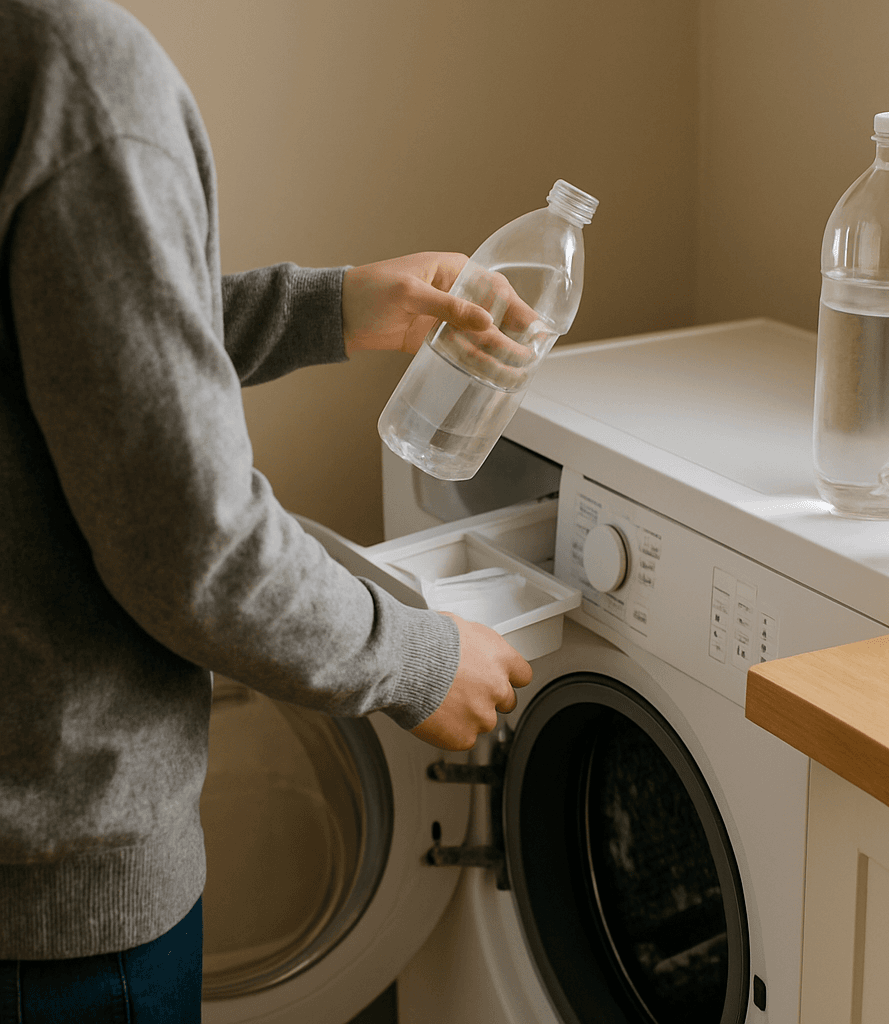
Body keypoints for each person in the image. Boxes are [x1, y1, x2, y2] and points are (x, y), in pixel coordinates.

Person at [0, 0, 534, 1019]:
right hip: (53, 904)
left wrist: (320, 305)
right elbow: (190, 544)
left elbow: (60, 344)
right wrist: (418, 659)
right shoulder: (74, 66)